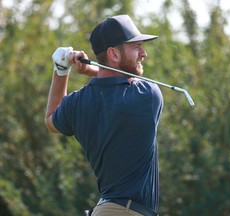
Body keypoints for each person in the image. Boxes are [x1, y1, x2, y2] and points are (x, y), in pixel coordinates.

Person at [45, 14, 163, 216]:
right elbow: (121, 82)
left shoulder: (77, 103)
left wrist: (61, 70)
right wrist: (91, 70)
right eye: (136, 47)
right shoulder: (147, 96)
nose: (144, 53)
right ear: (113, 55)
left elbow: (51, 119)